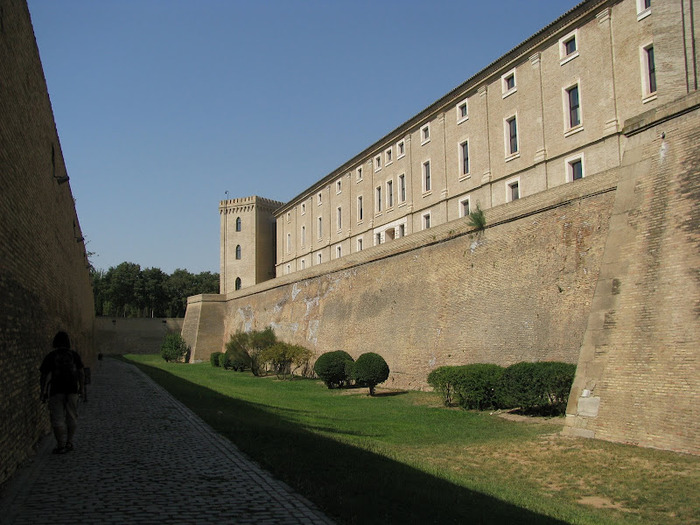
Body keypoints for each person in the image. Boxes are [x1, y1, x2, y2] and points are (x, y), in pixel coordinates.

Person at [40, 331, 86, 454]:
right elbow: (81, 373)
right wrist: (81, 388)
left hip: (56, 390)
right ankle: (69, 442)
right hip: (72, 390)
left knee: (57, 418)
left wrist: (42, 391)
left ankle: (60, 445)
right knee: (71, 416)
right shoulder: (74, 355)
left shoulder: (51, 356)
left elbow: (44, 376)